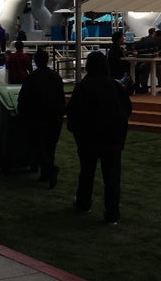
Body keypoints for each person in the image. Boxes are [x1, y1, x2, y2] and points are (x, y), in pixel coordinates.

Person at [66, 51, 132, 224]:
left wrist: (75, 130)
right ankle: (112, 214)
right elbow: (127, 110)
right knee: (112, 178)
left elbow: (73, 112)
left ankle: (83, 203)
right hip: (113, 140)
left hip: (88, 139)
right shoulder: (116, 86)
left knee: (86, 173)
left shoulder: (83, 87)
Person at [18, 48, 66, 188]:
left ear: (35, 61)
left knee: (37, 145)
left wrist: (23, 112)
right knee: (50, 146)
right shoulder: (56, 76)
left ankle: (49, 169)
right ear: (48, 60)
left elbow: (24, 98)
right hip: (54, 117)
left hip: (37, 117)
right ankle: (46, 173)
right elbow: (60, 97)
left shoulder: (32, 78)